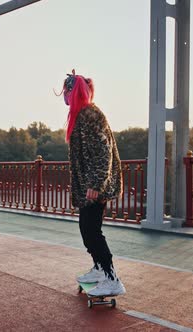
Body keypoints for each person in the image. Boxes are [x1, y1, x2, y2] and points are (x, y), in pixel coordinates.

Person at [60, 70, 126, 297]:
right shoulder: (82, 114)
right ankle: (99, 269)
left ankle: (111, 278)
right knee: (87, 229)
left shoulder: (90, 114)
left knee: (91, 230)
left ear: (72, 91)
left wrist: (96, 184)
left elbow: (102, 150)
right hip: (90, 183)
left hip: (96, 185)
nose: (64, 96)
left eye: (65, 91)